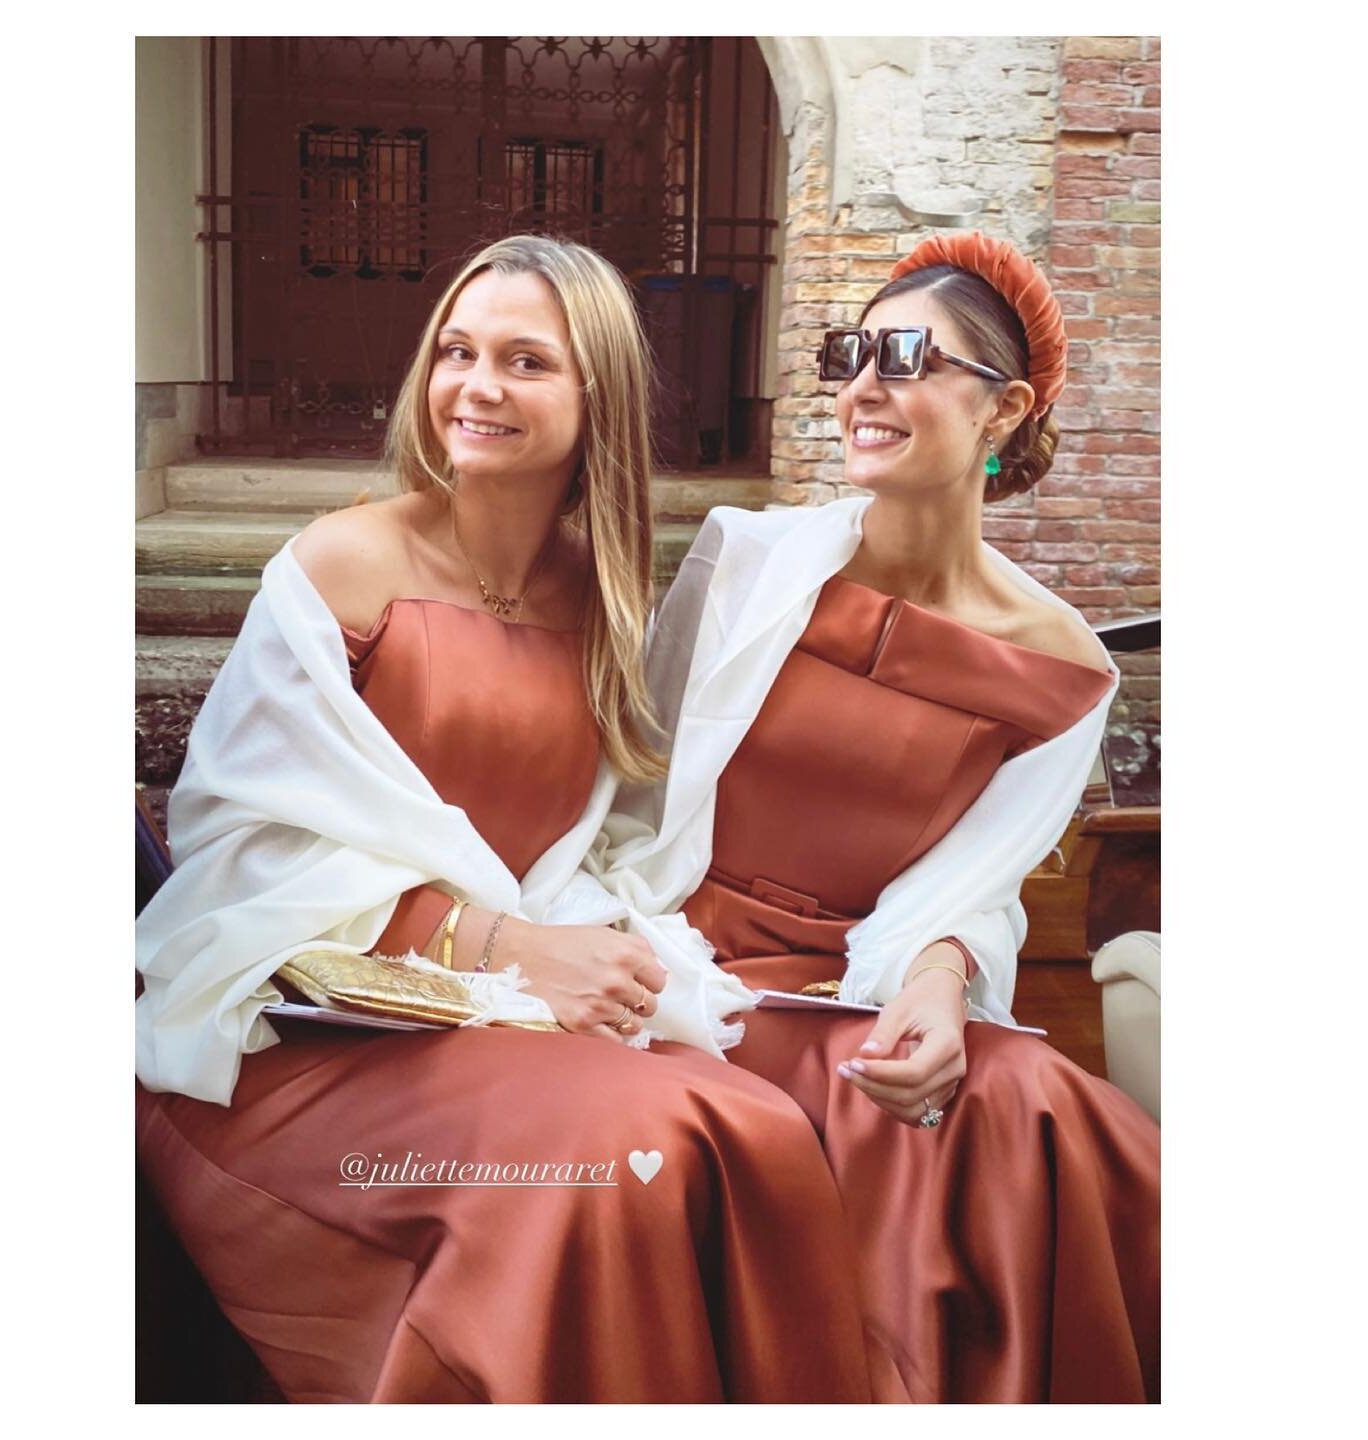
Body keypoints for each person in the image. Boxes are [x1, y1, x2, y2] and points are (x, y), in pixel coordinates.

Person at [135, 234, 878, 1403]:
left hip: (504, 1013)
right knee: (631, 1158)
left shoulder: (605, 600)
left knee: (761, 1130)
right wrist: (507, 946)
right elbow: (245, 848)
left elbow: (604, 838)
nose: (476, 387)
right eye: (456, 351)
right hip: (304, 1035)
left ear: (599, 398)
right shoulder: (341, 563)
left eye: (526, 361)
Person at [591, 232, 1161, 1403]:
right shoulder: (744, 561)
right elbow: (627, 790)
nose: (862, 385)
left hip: (856, 986)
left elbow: (976, 881)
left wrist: (940, 977)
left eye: (904, 356)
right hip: (672, 961)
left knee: (1030, 1104)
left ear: (1003, 410)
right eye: (850, 353)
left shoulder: (1066, 670)